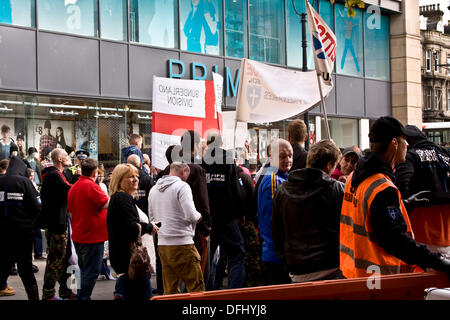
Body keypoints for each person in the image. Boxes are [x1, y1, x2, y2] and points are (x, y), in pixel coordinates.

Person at [339, 116, 450, 279]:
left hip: (353, 273)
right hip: (378, 279)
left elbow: (372, 218)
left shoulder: (354, 177)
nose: (407, 145)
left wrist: (404, 205)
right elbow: (395, 241)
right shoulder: (383, 188)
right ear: (394, 143)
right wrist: (439, 262)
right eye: (404, 140)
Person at [273, 140, 345, 283]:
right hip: (330, 269)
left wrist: (287, 261)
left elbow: (276, 232)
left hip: (296, 270)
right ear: (330, 165)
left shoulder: (283, 190)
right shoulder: (336, 189)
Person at [395, 125, 450, 259]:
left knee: (422, 278)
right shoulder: (445, 155)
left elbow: (402, 185)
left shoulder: (411, 156)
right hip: (447, 234)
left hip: (421, 233)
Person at [149, 162, 204, 294]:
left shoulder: (154, 189)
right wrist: (199, 216)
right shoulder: (182, 186)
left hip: (163, 244)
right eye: (187, 175)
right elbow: (191, 215)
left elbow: (152, 219)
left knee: (170, 289)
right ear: (184, 170)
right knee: (196, 287)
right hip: (183, 243)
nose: (187, 178)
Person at [202, 130, 246, 290]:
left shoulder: (202, 161)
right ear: (221, 143)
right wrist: (240, 213)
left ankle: (208, 292)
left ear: (207, 143)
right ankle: (235, 293)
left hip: (209, 218)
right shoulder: (227, 159)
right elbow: (235, 188)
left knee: (207, 257)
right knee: (236, 254)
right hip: (226, 217)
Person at [107, 164, 158, 301]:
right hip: (129, 259)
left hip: (124, 258)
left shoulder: (120, 198)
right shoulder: (122, 198)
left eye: (137, 176)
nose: (136, 179)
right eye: (130, 176)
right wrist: (148, 227)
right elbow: (130, 227)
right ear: (119, 180)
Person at [67, 158, 109, 300]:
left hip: (79, 235)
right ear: (95, 172)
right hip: (92, 237)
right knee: (91, 272)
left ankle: (82, 296)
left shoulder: (74, 187)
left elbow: (71, 213)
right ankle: (83, 297)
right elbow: (106, 203)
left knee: (84, 269)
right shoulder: (92, 186)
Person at [0, 156, 41, 300]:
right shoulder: (24, 182)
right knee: (26, 270)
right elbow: (36, 207)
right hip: (23, 233)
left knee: (3, 267)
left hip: (3, 233)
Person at [39, 148, 76, 300]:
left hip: (60, 223)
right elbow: (70, 191)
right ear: (60, 159)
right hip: (57, 225)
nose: (69, 158)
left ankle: (66, 291)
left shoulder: (55, 175)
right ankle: (48, 294)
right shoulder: (54, 175)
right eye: (66, 156)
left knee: (65, 258)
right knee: (56, 260)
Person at [257, 139, 293, 285]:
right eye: (283, 156)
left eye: (290, 155)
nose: (288, 160)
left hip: (278, 253)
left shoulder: (281, 177)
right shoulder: (273, 180)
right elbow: (274, 221)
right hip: (276, 256)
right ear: (271, 157)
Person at [180, 130, 212, 285]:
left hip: (177, 228)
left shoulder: (172, 167)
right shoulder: (196, 169)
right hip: (196, 228)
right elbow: (202, 200)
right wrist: (206, 226)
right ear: (196, 145)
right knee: (199, 274)